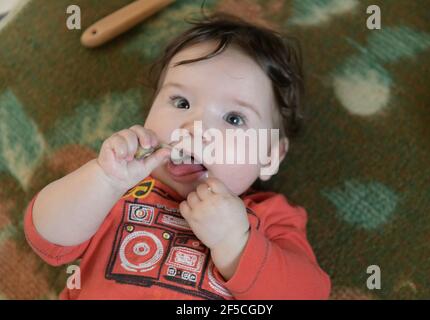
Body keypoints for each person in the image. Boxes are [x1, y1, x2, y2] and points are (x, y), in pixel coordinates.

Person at [24, 13, 330, 300]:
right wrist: (104, 180)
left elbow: (309, 293)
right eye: (181, 102)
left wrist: (236, 243)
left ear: (270, 155)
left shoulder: (269, 218)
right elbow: (45, 236)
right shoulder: (118, 184)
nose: (195, 128)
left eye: (234, 119)